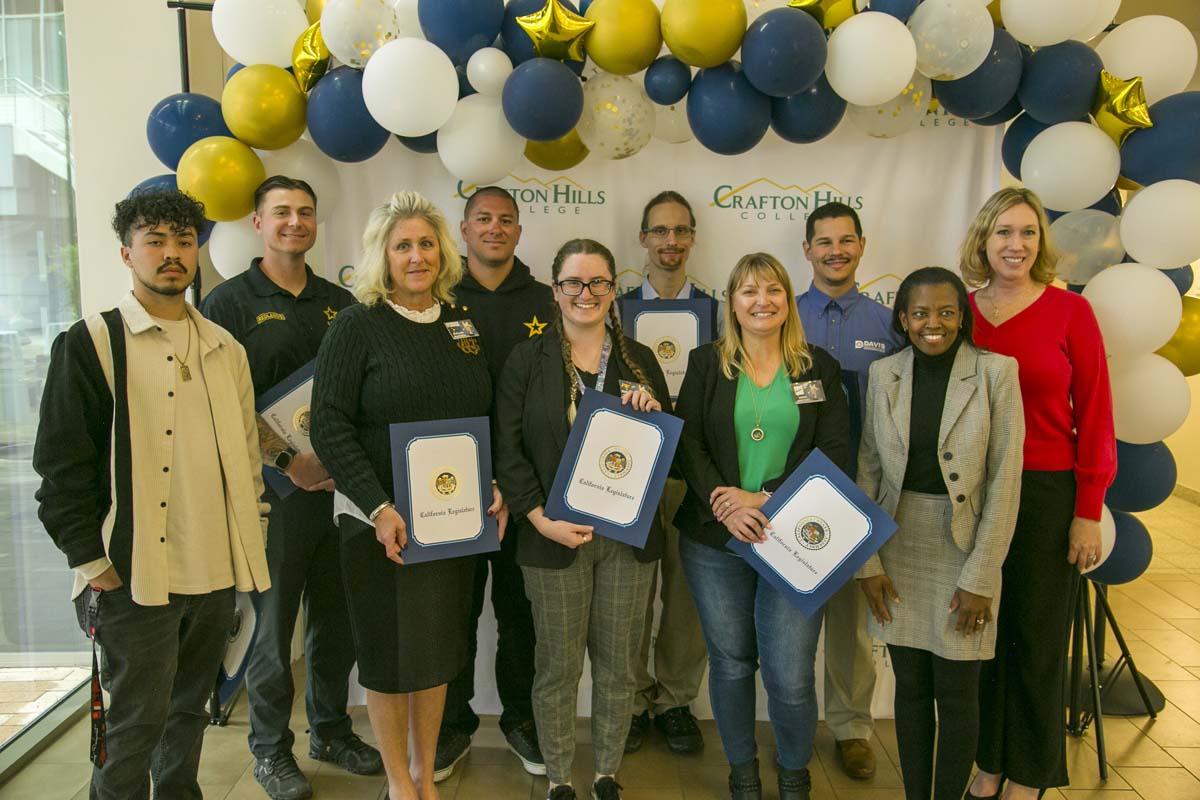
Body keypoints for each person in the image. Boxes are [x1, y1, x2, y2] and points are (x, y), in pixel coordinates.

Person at [32, 188, 271, 800]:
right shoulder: (90, 344)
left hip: (215, 575)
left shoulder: (227, 350)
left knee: (190, 715)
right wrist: (93, 565)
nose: (171, 254)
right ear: (126, 253)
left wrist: (250, 546)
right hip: (132, 576)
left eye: (183, 241)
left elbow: (245, 463)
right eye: (155, 241)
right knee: (134, 725)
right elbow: (62, 471)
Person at [309, 190, 506, 800]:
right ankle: (399, 784)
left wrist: (490, 483)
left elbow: (481, 414)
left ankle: (426, 776)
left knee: (437, 651)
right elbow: (329, 425)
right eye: (403, 246)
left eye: (426, 243)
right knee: (391, 661)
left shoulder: (459, 321)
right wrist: (377, 506)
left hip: (449, 520)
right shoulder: (355, 325)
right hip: (380, 524)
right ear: (383, 257)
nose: (416, 256)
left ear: (443, 251)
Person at [201, 176, 381, 799]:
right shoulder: (228, 304)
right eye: (281, 212)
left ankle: (330, 730)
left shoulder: (342, 302)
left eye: (305, 212)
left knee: (338, 623)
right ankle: (270, 749)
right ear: (257, 222)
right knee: (273, 631)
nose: (294, 222)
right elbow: (219, 402)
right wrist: (284, 460)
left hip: (342, 494)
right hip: (271, 497)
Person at [495, 238, 671, 800]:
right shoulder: (528, 360)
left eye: (598, 283)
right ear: (556, 291)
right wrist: (539, 518)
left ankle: (607, 774)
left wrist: (653, 415)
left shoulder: (641, 362)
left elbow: (661, 450)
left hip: (625, 541)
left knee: (620, 666)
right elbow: (508, 450)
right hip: (553, 538)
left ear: (612, 291)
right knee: (557, 669)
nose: (586, 293)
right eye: (574, 282)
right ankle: (559, 778)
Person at [674, 253, 850, 800]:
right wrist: (727, 503)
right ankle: (743, 771)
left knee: (791, 675)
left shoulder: (816, 367)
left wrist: (767, 498)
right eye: (748, 291)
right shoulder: (707, 363)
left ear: (787, 300)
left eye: (773, 290)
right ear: (732, 303)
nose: (761, 301)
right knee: (730, 664)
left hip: (793, 539)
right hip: (715, 538)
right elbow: (689, 443)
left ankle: (794, 770)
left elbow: (836, 450)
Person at [959, 188, 1115, 800]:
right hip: (972, 495)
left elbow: (1097, 414)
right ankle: (989, 764)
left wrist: (1087, 511)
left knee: (1038, 639)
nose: (1015, 245)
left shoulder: (1070, 312)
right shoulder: (960, 312)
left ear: (1041, 243)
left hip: (1048, 494)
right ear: (983, 240)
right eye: (1002, 233)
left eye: (1027, 233)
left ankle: (1029, 774)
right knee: (983, 639)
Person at [855, 267, 1024, 800]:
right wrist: (868, 563)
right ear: (902, 319)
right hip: (897, 544)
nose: (934, 323)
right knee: (910, 690)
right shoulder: (884, 374)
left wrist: (982, 575)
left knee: (956, 693)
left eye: (946, 312)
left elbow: (1005, 480)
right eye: (921, 313)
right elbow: (868, 471)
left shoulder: (997, 372)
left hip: (965, 549)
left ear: (962, 316)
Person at [435, 186, 550, 781]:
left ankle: (521, 721)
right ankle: (451, 727)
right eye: (484, 218)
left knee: (519, 613)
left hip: (525, 492)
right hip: (453, 491)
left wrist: (520, 484)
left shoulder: (546, 300)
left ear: (519, 230)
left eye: (506, 220)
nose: (495, 228)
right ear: (464, 227)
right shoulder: (437, 295)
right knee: (453, 612)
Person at [795, 201, 902, 780]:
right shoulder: (780, 317)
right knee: (790, 614)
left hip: (858, 490)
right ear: (806, 250)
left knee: (852, 621)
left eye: (845, 241)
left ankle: (851, 727)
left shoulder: (888, 324)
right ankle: (791, 724)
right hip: (786, 492)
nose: (835, 251)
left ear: (861, 246)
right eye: (824, 242)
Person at [620, 190, 714, 755]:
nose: (670, 241)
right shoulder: (616, 309)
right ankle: (630, 701)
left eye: (681, 230)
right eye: (660, 231)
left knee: (688, 592)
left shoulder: (719, 311)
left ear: (693, 238)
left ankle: (675, 701)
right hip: (630, 468)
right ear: (643, 238)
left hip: (695, 470)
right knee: (630, 590)